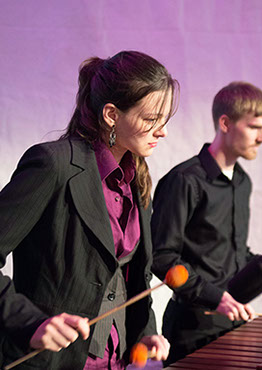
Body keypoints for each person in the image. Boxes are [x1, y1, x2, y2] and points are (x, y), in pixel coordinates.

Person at [0, 50, 178, 369]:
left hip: (117, 360)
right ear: (111, 114)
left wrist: (145, 331)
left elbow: (129, 276)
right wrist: (29, 321)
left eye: (164, 121)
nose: (162, 131)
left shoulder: (136, 179)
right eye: (151, 120)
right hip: (48, 361)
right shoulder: (52, 166)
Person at [151, 81, 262, 365]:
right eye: (255, 127)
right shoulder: (184, 180)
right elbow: (161, 257)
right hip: (191, 327)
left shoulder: (242, 182)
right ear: (225, 123)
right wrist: (214, 297)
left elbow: (233, 251)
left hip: (232, 320)